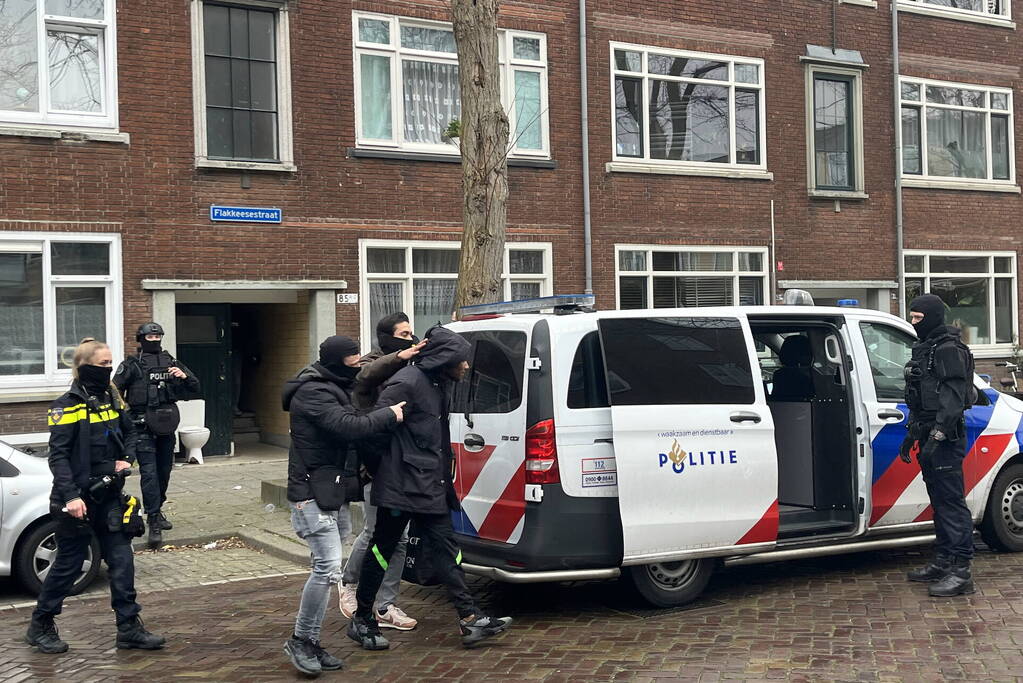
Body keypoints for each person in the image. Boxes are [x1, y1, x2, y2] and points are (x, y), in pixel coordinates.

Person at [348, 326, 513, 650]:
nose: (466, 366)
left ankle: (470, 618)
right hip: (402, 487)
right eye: (461, 360)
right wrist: (387, 472)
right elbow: (373, 430)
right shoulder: (406, 383)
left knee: (447, 549)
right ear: (443, 360)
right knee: (382, 550)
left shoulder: (438, 384)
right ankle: (363, 618)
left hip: (429, 485)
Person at [26, 338, 165, 654]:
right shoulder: (66, 405)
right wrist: (70, 497)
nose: (109, 369)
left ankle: (129, 628)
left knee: (122, 561)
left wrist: (126, 459)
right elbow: (58, 456)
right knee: (69, 565)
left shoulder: (112, 399)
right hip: (77, 499)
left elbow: (131, 431)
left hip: (109, 495)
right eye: (104, 364)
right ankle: (40, 625)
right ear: (84, 365)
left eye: (111, 363)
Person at [281, 335, 406, 676]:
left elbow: (364, 384)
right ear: (337, 360)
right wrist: (389, 414)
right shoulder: (313, 392)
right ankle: (301, 640)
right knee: (326, 569)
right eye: (352, 357)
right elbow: (348, 426)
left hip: (331, 491)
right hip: (311, 493)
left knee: (326, 569)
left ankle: (310, 639)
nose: (357, 362)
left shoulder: (333, 386)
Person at [339, 312, 425, 631]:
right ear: (387, 337)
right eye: (403, 334)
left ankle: (386, 605)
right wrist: (400, 356)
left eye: (411, 333)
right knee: (374, 531)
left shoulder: (414, 364)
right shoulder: (372, 362)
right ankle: (349, 582)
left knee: (400, 538)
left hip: (403, 464)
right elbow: (365, 376)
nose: (410, 339)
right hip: (375, 467)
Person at [900, 294, 977, 597]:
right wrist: (913, 434)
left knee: (951, 502)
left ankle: (961, 571)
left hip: (945, 438)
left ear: (932, 317)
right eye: (912, 317)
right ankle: (944, 560)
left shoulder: (947, 350)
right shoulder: (927, 347)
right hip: (928, 432)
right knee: (940, 501)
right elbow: (922, 396)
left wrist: (938, 435)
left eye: (918, 318)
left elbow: (953, 399)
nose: (913, 322)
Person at [113, 322, 201, 549]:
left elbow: (195, 387)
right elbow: (114, 390)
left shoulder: (171, 362)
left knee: (163, 473)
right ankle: (153, 520)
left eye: (157, 337)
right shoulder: (132, 364)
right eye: (149, 337)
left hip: (166, 427)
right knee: (149, 474)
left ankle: (157, 509)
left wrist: (183, 376)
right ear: (141, 339)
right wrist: (124, 417)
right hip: (142, 427)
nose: (154, 341)